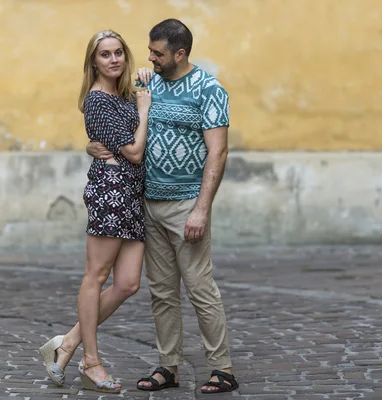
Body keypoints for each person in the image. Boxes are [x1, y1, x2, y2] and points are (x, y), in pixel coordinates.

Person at [86, 19, 239, 394]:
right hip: (148, 202)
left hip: (187, 204)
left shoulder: (208, 89)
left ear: (180, 54)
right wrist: (92, 145)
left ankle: (222, 368)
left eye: (158, 53)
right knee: (162, 292)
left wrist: (202, 208)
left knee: (200, 287)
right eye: (150, 51)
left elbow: (218, 152)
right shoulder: (148, 84)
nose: (149, 57)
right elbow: (117, 125)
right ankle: (168, 365)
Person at [38, 30, 151, 394]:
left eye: (119, 52)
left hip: (132, 193)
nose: (114, 59)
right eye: (105, 55)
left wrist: (144, 88)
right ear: (94, 62)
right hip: (111, 193)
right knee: (96, 275)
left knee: (129, 283)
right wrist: (144, 108)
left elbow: (129, 139)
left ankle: (67, 343)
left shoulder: (125, 95)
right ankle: (91, 362)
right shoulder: (99, 100)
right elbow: (134, 152)